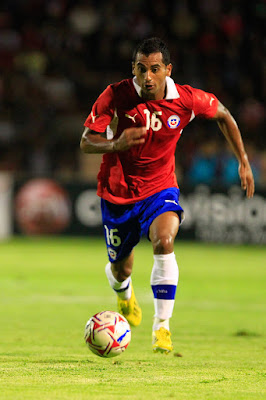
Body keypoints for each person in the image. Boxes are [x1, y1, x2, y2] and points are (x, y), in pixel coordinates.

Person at [80, 37, 254, 354]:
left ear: (167, 70)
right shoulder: (116, 94)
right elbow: (87, 141)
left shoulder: (185, 99)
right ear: (133, 68)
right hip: (118, 193)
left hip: (160, 188)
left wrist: (243, 161)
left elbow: (224, 115)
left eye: (155, 69)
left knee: (165, 240)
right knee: (121, 269)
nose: (147, 77)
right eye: (141, 69)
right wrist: (115, 145)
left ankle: (162, 327)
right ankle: (124, 292)